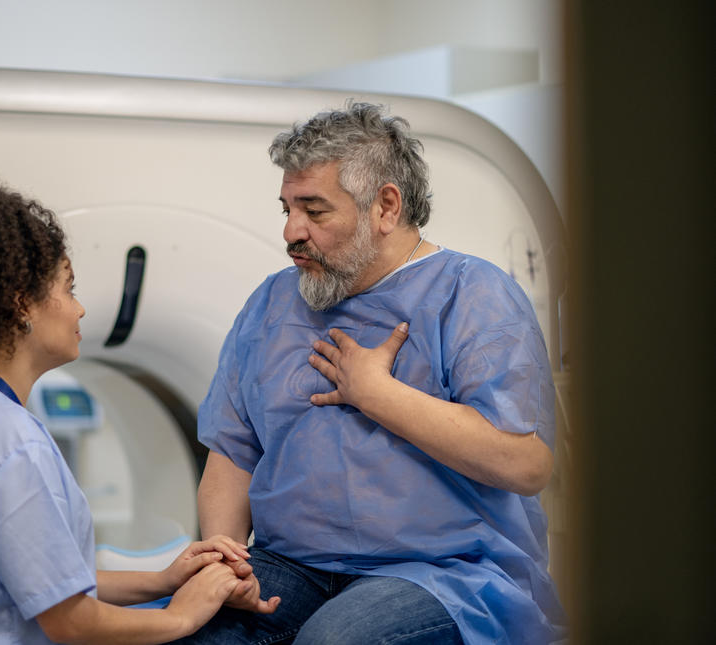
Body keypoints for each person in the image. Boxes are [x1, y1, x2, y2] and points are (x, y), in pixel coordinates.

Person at [181, 103, 567, 644]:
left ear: (386, 206)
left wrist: (376, 394)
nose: (292, 231)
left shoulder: (472, 295)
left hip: (445, 571)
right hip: (291, 563)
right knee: (186, 629)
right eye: (287, 208)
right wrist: (226, 565)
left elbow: (525, 465)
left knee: (335, 641)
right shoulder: (271, 303)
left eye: (315, 212)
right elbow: (232, 452)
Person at [0, 177, 267, 644]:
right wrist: (180, 615)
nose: (79, 310)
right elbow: (70, 621)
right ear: (22, 304)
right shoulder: (11, 444)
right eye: (69, 288)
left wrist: (164, 579)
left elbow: (48, 583)